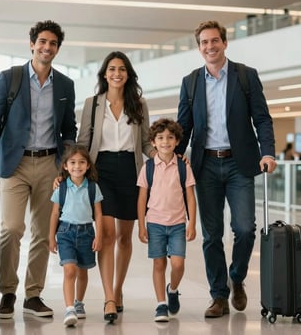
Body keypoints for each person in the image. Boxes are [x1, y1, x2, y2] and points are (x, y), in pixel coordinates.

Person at [0, 20, 77, 319]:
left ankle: (33, 295)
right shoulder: (11, 77)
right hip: (14, 164)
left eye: (53, 43)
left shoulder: (65, 85)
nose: (47, 47)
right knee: (11, 228)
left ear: (58, 49)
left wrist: (68, 164)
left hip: (50, 163)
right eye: (43, 42)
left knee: (43, 232)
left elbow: (68, 128)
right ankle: (7, 291)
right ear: (32, 44)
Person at [176, 20, 277, 318]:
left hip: (239, 163)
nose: (210, 46)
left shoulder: (246, 76)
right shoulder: (191, 81)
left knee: (245, 229)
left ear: (224, 43)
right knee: (211, 235)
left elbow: (262, 118)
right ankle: (219, 295)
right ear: (199, 47)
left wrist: (268, 152)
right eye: (204, 42)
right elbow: (184, 126)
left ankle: (237, 276)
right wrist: (171, 160)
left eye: (214, 41)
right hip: (205, 164)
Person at [77, 51, 156, 322]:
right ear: (104, 74)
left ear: (128, 74)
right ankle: (109, 297)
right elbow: (83, 143)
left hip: (131, 172)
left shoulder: (139, 104)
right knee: (107, 234)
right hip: (102, 171)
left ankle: (118, 289)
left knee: (125, 237)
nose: (117, 73)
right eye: (112, 69)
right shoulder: (93, 104)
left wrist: (164, 157)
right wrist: (72, 173)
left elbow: (146, 142)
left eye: (122, 69)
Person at [137, 118, 197, 322]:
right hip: (154, 223)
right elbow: (142, 198)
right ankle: (161, 304)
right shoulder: (148, 168)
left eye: (170, 138)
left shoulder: (183, 166)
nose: (165, 142)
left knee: (178, 264)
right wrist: (141, 226)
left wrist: (192, 223)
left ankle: (172, 289)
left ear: (177, 141)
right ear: (153, 142)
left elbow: (190, 196)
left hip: (178, 224)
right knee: (159, 264)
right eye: (160, 138)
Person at [49, 145, 103, 327]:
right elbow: (55, 214)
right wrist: (51, 237)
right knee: (69, 270)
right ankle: (69, 307)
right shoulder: (61, 188)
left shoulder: (93, 188)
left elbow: (99, 214)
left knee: (82, 271)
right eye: (72, 162)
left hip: (87, 232)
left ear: (88, 166)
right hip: (65, 233)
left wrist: (99, 235)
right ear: (65, 166)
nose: (77, 166)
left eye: (81, 162)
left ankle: (79, 302)